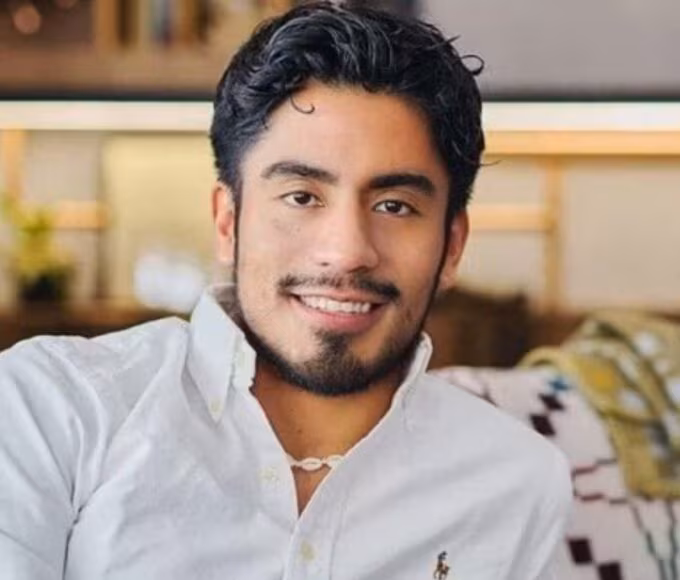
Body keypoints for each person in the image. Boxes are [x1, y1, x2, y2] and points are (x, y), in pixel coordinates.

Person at [0, 2, 571, 579]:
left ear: (451, 245)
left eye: (394, 206)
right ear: (228, 222)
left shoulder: (518, 483)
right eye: (302, 197)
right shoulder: (54, 409)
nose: (347, 251)